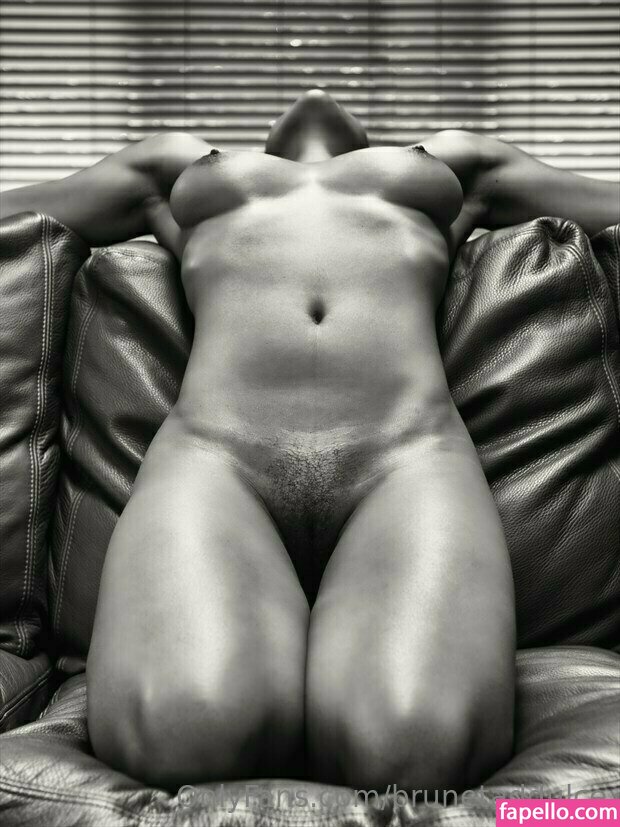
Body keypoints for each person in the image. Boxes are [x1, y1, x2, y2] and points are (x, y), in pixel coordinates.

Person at [1, 89, 618, 794]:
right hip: (216, 460)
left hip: (407, 459)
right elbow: (25, 211)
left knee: (415, 748)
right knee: (183, 733)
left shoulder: (447, 164)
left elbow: (602, 201)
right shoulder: (179, 167)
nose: (313, 88)